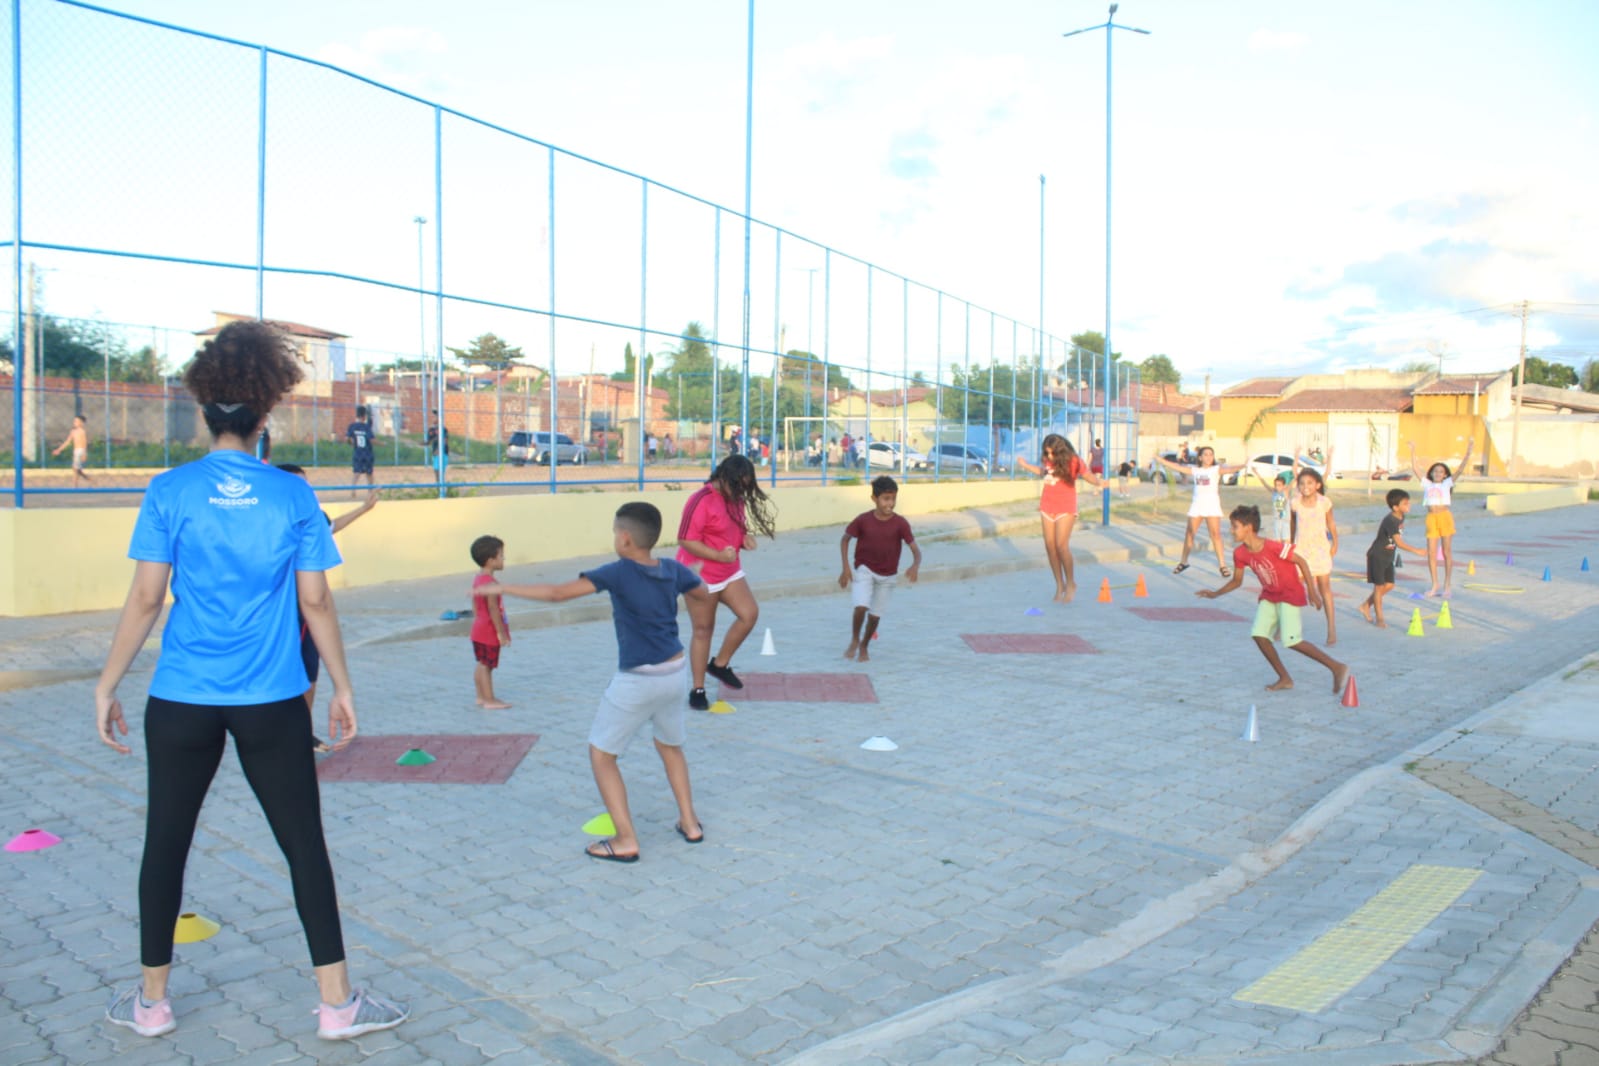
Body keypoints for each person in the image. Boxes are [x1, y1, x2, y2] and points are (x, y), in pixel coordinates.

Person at [94, 320, 407, 1042]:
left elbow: (146, 599)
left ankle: (150, 1005)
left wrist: (106, 683)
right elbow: (316, 601)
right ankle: (337, 1007)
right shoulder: (291, 496)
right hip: (270, 702)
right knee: (304, 846)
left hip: (179, 700)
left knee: (163, 843)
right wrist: (342, 686)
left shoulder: (168, 489)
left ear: (204, 412)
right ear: (267, 416)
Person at [478, 503, 712, 861]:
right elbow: (702, 592)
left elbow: (558, 593)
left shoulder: (618, 572)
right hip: (674, 673)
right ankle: (690, 823)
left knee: (602, 754)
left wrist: (502, 588)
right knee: (670, 747)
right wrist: (681, 591)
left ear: (625, 538)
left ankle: (625, 840)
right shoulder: (671, 569)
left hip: (638, 680)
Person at [277, 464, 379, 749]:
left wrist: (363, 509)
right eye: (296, 485)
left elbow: (331, 527)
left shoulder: (313, 518)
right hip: (280, 610)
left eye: (305, 485)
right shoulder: (267, 521)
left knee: (309, 671)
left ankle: (301, 732)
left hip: (305, 614)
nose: (303, 491)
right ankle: (281, 734)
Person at [1197, 504, 1349, 695]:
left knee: (1291, 640)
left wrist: (1312, 590)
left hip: (1290, 593)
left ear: (1248, 527)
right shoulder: (1240, 553)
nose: (1231, 530)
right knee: (1259, 635)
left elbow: (1300, 560)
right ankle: (1284, 678)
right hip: (1269, 595)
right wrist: (1214, 593)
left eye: (1234, 526)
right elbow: (1237, 581)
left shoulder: (1273, 546)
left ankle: (1336, 667)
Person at [674, 454, 776, 710]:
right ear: (723, 478)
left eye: (745, 486)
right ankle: (697, 689)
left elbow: (735, 527)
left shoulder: (736, 498)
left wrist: (744, 538)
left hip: (729, 571)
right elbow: (686, 539)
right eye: (738, 485)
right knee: (703, 630)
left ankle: (719, 665)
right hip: (699, 574)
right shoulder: (700, 500)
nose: (741, 491)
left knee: (749, 614)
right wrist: (718, 555)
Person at [839, 475, 922, 661]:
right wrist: (846, 568)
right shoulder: (863, 520)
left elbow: (916, 550)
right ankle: (854, 639)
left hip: (888, 575)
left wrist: (915, 564)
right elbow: (845, 540)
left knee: (875, 616)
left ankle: (864, 645)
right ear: (874, 499)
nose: (890, 503)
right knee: (861, 606)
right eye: (886, 498)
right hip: (864, 569)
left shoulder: (901, 523)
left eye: (893, 498)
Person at [1016, 434, 1104, 603]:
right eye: (1047, 453)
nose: (1049, 457)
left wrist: (1101, 483)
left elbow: (1087, 475)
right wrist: (1025, 465)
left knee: (1061, 546)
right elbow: (1043, 472)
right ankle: (1059, 584)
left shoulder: (1074, 461)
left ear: (1061, 450)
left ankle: (1071, 583)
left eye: (1052, 453)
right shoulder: (1048, 461)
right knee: (1050, 546)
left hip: (1066, 507)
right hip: (1047, 506)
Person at [1156, 446, 1244, 577]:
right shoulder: (1196, 470)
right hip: (1197, 505)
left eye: (1211, 454)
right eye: (1206, 454)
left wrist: (1244, 464)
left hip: (1212, 505)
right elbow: (1178, 467)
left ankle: (1222, 565)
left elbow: (1230, 469)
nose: (1208, 457)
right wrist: (1161, 461)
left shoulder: (1216, 469)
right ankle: (1183, 562)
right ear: (1200, 457)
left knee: (1216, 535)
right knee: (1190, 533)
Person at [1409, 438, 1474, 598]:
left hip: (1444, 517)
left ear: (1445, 475)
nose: (1438, 473)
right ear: (1431, 473)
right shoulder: (1427, 484)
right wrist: (1413, 450)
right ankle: (1434, 584)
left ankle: (1447, 585)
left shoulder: (1447, 484)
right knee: (1431, 553)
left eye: (1441, 471)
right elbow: (1415, 469)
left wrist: (1468, 451)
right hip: (1431, 518)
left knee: (1446, 551)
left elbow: (1460, 469)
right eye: (1435, 471)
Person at [1359, 488, 1426, 628]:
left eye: (1409, 503)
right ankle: (1380, 618)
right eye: (1405, 504)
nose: (1409, 506)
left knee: (1390, 585)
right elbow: (1399, 542)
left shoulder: (1401, 517)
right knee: (1379, 587)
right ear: (1395, 507)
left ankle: (1366, 605)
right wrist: (1416, 550)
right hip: (1377, 555)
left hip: (1388, 555)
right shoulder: (1390, 520)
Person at [1289, 460, 1339, 645]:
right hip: (1301, 550)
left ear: (1318, 485)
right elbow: (1292, 524)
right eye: (1302, 483)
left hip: (1320, 549)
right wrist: (1289, 544)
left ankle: (1331, 629)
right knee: (1294, 589)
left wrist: (1335, 541)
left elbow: (1331, 523)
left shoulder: (1324, 503)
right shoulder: (1295, 503)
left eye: (1309, 483)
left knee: (1325, 588)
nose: (1305, 487)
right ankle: (1286, 626)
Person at [470, 535, 512, 710]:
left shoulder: (479, 579)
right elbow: (493, 609)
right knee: (487, 666)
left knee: (481, 663)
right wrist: (501, 633)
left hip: (478, 629)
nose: (503, 559)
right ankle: (490, 699)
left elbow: (475, 605)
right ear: (490, 560)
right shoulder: (491, 583)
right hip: (488, 631)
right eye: (501, 555)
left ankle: (481, 696)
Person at [52, 413, 93, 487]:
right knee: (77, 469)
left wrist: (84, 453)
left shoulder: (82, 431)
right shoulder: (73, 432)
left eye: (77, 421)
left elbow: (84, 443)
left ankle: (75, 485)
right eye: (74, 421)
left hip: (81, 451)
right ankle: (88, 478)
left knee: (75, 468)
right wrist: (59, 449)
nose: (75, 423)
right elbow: (67, 441)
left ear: (81, 423)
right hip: (76, 451)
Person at [345, 405, 376, 495]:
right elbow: (371, 439)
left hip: (358, 452)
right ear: (364, 416)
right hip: (367, 452)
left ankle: (353, 489)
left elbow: (347, 439)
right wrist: (383, 444)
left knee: (357, 472)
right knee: (369, 473)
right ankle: (370, 491)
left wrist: (352, 443)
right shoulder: (366, 427)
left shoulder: (352, 426)